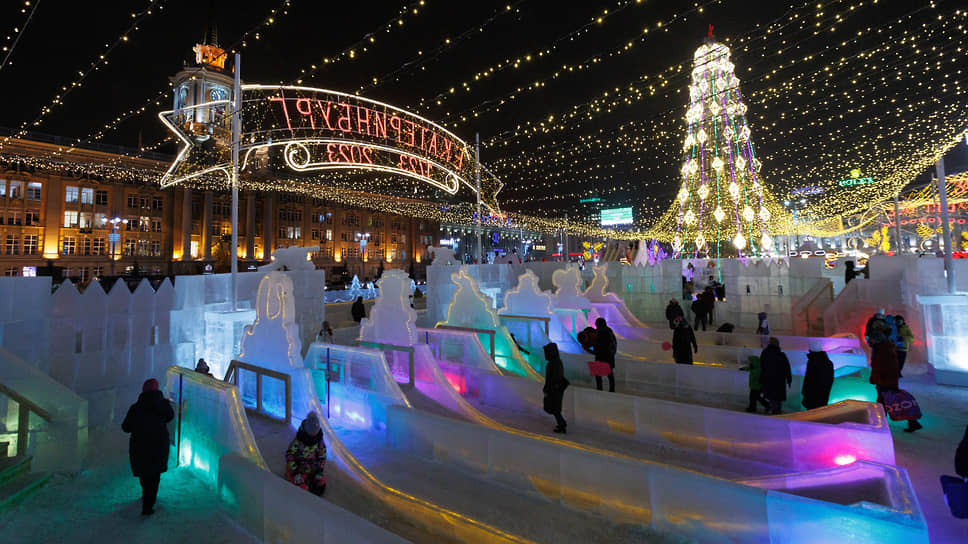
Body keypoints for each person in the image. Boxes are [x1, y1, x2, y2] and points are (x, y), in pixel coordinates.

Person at [121, 378, 174, 515]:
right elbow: (170, 417)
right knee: (155, 474)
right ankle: (149, 504)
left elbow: (126, 427)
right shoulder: (163, 405)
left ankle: (146, 496)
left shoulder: (136, 408)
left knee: (144, 472)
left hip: (140, 446)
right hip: (159, 444)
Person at [869, 337, 922, 432]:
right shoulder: (884, 349)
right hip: (886, 381)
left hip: (885, 382)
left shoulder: (883, 351)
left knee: (884, 403)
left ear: (877, 339)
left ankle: (880, 425)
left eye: (871, 338)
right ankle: (913, 422)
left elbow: (882, 367)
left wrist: (879, 379)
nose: (869, 340)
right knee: (890, 402)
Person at [286, 412, 327, 496]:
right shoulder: (298, 441)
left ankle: (314, 484)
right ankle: (299, 482)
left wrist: (320, 469)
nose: (313, 436)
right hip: (299, 466)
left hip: (313, 466)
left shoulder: (319, 441)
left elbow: (322, 456)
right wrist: (295, 471)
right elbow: (289, 455)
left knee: (321, 480)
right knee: (301, 484)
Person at [760, 337, 792, 415]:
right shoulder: (781, 355)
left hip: (769, 379)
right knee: (778, 398)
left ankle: (774, 412)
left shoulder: (765, 353)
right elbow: (787, 368)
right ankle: (777, 412)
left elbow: (762, 366)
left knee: (772, 397)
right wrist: (789, 379)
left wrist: (762, 378)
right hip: (779, 381)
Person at [542, 342, 570, 434]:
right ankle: (562, 424)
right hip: (557, 389)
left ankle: (562, 424)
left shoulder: (553, 364)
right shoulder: (557, 362)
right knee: (556, 408)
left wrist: (547, 388)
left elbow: (551, 379)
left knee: (555, 409)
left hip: (554, 390)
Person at [585, 317, 617, 392]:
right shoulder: (609, 331)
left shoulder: (599, 332)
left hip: (601, 357)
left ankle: (599, 389)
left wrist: (589, 349)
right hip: (609, 357)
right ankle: (612, 390)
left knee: (598, 375)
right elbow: (613, 345)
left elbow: (597, 346)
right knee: (609, 374)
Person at [802, 340, 834, 410]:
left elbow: (808, 380)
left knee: (811, 414)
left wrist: (805, 392)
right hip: (823, 396)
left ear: (811, 350)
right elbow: (830, 381)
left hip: (812, 396)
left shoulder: (812, 362)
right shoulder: (828, 363)